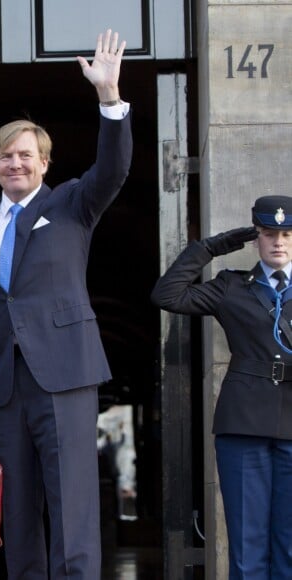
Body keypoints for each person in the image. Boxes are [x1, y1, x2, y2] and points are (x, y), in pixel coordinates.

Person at [0, 29, 132, 579]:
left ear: (45, 163)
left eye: (26, 156)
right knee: (18, 509)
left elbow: (114, 168)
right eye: (5, 157)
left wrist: (109, 98)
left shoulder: (73, 203)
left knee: (72, 506)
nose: (16, 164)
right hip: (2, 387)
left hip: (63, 375)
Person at [150, 195, 292, 578]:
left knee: (290, 544)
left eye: (286, 233)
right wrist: (212, 247)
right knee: (246, 546)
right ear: (255, 237)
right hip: (243, 423)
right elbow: (167, 295)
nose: (278, 242)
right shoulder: (232, 286)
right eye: (268, 233)